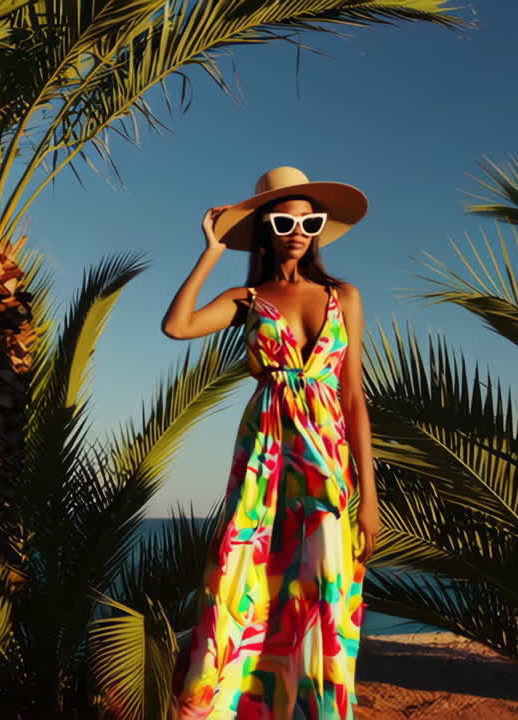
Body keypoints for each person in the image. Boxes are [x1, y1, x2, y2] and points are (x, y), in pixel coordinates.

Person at [160, 166, 380, 719]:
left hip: (327, 463)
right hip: (264, 459)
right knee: (243, 576)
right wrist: (212, 251)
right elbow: (177, 326)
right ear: (265, 228)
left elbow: (353, 397)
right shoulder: (247, 298)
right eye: (285, 219)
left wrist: (370, 496)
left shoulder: (343, 296)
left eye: (311, 220)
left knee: (322, 592)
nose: (298, 229)